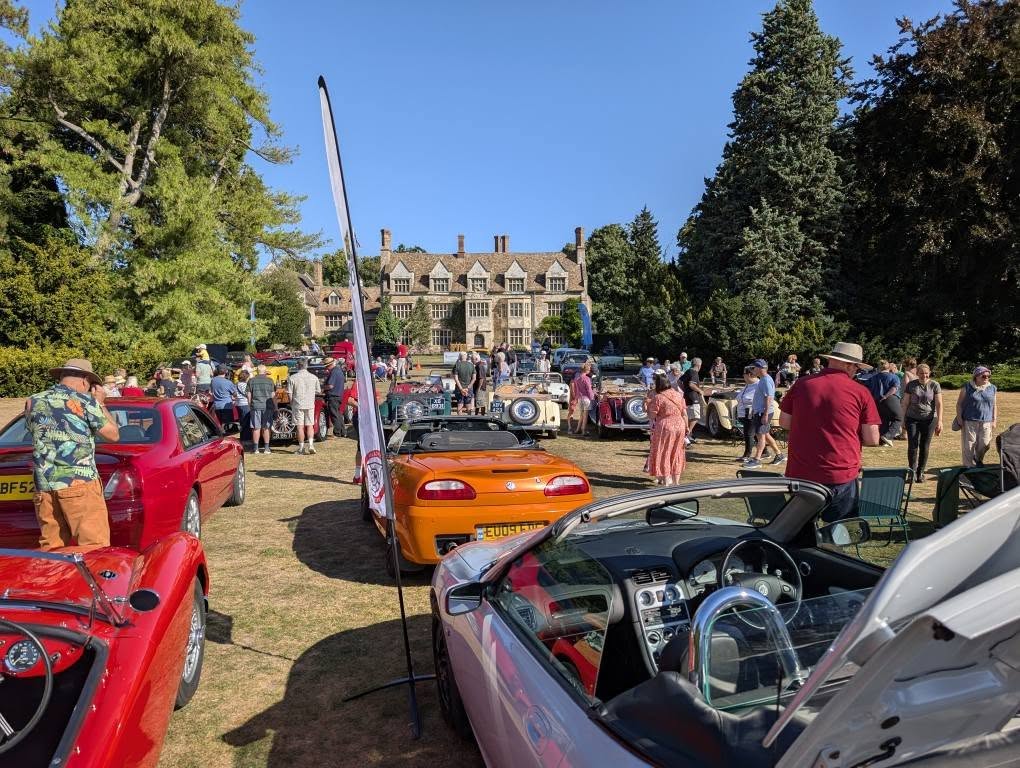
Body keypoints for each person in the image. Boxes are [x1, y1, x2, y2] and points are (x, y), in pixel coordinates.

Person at [25, 358, 120, 550]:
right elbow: (113, 435)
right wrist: (100, 403)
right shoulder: (85, 402)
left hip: (44, 486)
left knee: (51, 549)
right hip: (79, 483)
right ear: (85, 381)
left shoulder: (32, 401)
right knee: (93, 547)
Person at [779, 342, 881, 521]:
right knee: (839, 529)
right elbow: (872, 438)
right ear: (849, 365)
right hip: (840, 473)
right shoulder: (860, 392)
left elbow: (784, 422)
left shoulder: (801, 384)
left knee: (800, 529)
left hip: (801, 472)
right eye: (856, 368)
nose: (856, 372)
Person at [901, 363, 942, 481]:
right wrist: (902, 419)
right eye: (921, 373)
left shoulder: (934, 385)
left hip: (929, 419)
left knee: (925, 445)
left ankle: (921, 472)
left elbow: (939, 404)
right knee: (912, 445)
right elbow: (905, 403)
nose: (924, 375)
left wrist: (940, 421)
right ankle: (912, 472)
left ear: (929, 373)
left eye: (926, 373)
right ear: (917, 373)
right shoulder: (911, 385)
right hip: (912, 418)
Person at [646, 372, 688, 485]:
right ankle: (676, 483)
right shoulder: (678, 395)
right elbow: (684, 413)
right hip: (680, 424)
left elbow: (652, 416)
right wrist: (687, 427)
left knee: (664, 452)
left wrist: (648, 405)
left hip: (665, 426)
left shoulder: (658, 397)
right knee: (677, 452)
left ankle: (666, 483)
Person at [743, 359, 786, 467]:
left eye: (754, 368)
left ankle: (757, 460)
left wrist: (765, 414)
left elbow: (769, 397)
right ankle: (779, 455)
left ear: (759, 368)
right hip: (761, 412)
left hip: (763, 413)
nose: (753, 370)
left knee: (760, 436)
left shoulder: (765, 380)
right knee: (765, 435)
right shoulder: (764, 379)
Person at [956, 366, 998, 467]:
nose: (986, 378)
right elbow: (959, 404)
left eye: (988, 376)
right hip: (969, 420)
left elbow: (994, 405)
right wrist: (959, 418)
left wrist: (994, 420)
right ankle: (968, 466)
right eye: (984, 376)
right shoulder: (967, 387)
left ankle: (978, 459)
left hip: (986, 421)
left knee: (985, 444)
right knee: (969, 444)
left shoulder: (992, 388)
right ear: (976, 376)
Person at [288, 358, 322, 455]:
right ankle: (311, 445)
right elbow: (318, 391)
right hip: (310, 403)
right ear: (307, 366)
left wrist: (291, 403)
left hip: (298, 404)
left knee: (300, 427)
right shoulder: (314, 377)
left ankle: (301, 447)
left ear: (298, 366)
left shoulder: (292, 378)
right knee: (310, 425)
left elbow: (290, 393)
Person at [865, 360, 902, 446]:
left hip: (877, 401)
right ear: (889, 367)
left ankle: (882, 441)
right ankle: (888, 436)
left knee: (884, 419)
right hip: (890, 399)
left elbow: (867, 389)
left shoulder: (873, 378)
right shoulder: (894, 376)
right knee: (899, 418)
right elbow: (894, 388)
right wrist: (885, 396)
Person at [248, 364, 277, 454]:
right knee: (266, 427)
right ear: (265, 371)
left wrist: (250, 405)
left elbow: (249, 395)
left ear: (257, 371)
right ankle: (266, 448)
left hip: (255, 406)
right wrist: (276, 408)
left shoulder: (251, 381)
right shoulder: (270, 381)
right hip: (267, 407)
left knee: (256, 428)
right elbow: (273, 395)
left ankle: (256, 449)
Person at [736, 365, 759, 462]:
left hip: (751, 413)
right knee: (756, 434)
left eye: (744, 374)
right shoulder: (748, 385)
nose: (743, 376)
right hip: (744, 414)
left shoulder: (758, 385)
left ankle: (747, 455)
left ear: (749, 374)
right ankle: (765, 451)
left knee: (748, 434)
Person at [322, 357, 346, 437]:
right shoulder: (339, 370)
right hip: (338, 395)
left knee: (334, 415)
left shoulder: (334, 372)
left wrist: (322, 388)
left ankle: (337, 432)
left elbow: (330, 386)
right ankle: (343, 432)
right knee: (338, 414)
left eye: (326, 366)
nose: (326, 368)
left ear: (330, 365)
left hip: (333, 396)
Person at [571, 362, 595, 436]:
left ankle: (578, 429)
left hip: (580, 398)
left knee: (581, 415)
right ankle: (583, 430)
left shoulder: (577, 379)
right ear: (586, 370)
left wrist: (576, 398)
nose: (589, 371)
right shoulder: (587, 379)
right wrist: (592, 397)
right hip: (586, 399)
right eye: (589, 370)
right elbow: (589, 390)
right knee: (585, 416)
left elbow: (576, 390)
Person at [235, 370, 252, 444]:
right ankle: (246, 439)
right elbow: (247, 394)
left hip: (239, 404)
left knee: (242, 422)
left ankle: (243, 438)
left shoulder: (237, 384)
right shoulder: (244, 385)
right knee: (246, 422)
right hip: (244, 404)